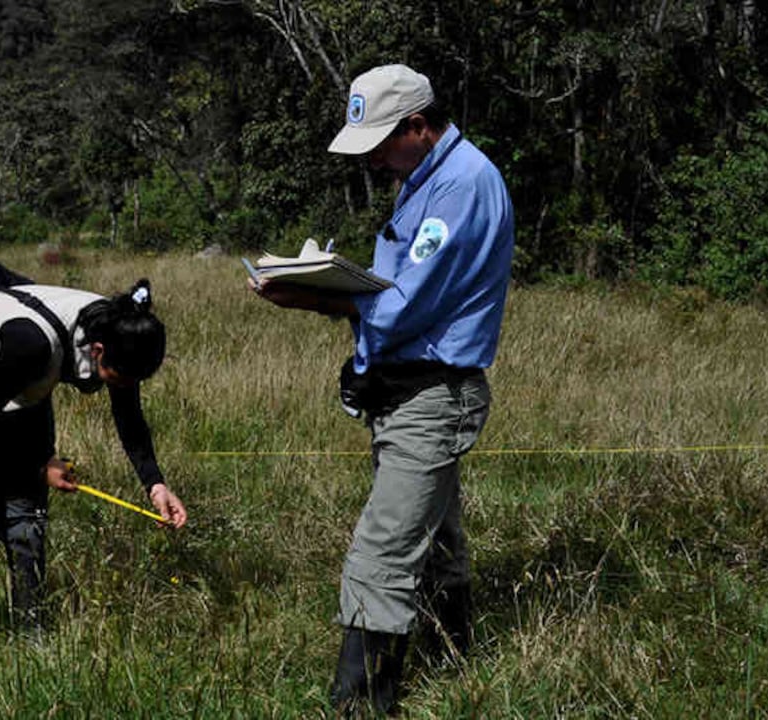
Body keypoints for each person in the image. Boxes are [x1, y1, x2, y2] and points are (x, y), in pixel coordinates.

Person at [250, 64, 514, 714]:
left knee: (382, 551)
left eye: (379, 146)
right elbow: (398, 285)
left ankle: (361, 703)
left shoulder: (460, 188)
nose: (371, 162)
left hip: (433, 396)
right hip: (404, 392)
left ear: (418, 127)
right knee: (436, 537)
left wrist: (309, 298)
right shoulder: (421, 179)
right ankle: (454, 657)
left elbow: (401, 308)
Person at [0, 277, 188, 641]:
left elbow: (130, 419)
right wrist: (42, 460)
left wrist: (156, 485)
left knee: (26, 514)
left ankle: (32, 630)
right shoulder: (35, 345)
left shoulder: (123, 331)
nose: (121, 386)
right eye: (117, 378)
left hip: (20, 380)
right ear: (99, 350)